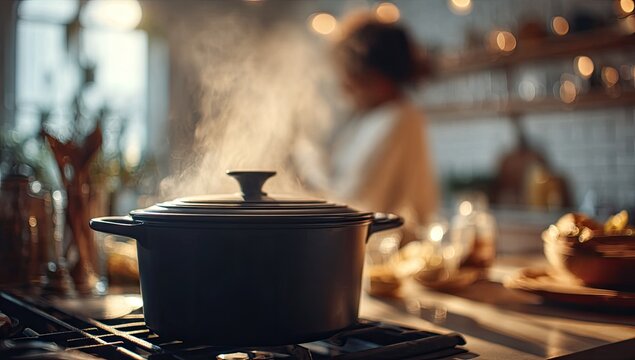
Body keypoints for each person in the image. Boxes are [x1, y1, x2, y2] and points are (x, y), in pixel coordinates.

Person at [296, 13, 440, 244]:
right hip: (374, 251)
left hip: (390, 254)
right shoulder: (368, 117)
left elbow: (354, 204)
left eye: (349, 73)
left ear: (377, 77)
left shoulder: (397, 117)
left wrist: (307, 158)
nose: (344, 84)